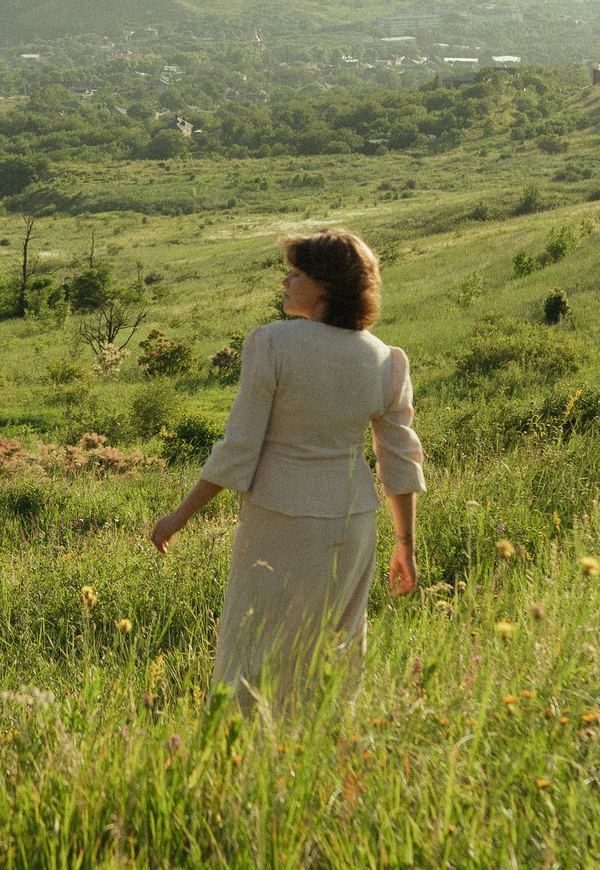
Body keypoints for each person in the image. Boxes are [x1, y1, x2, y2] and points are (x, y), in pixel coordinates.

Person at [149, 228, 424, 719]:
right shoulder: (385, 359)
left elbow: (239, 446)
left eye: (295, 273)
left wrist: (181, 515)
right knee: (335, 651)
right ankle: (319, 753)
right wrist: (405, 544)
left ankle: (242, 754)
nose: (285, 281)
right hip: (353, 521)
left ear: (323, 285)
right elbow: (399, 460)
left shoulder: (271, 343)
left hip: (281, 517)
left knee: (252, 644)